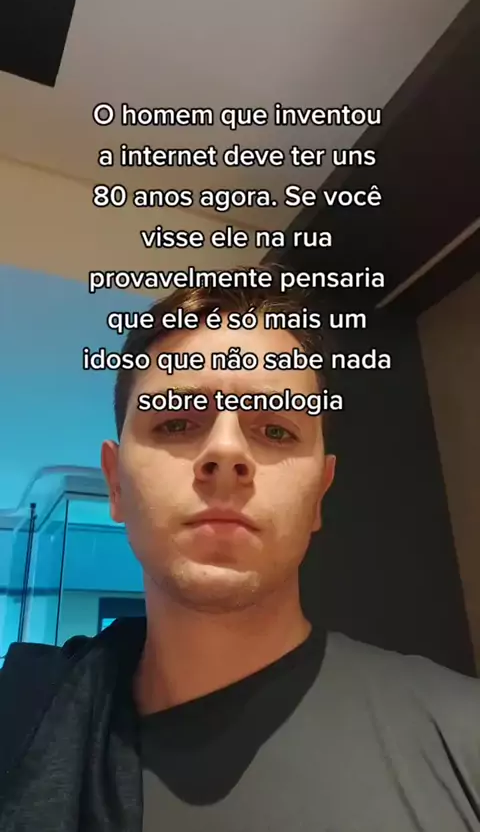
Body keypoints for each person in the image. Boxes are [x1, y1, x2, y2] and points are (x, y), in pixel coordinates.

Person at [0, 267, 479, 832]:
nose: (226, 452)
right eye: (176, 422)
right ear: (116, 484)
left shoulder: (464, 737)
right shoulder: (18, 720)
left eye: (276, 430)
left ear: (320, 494)